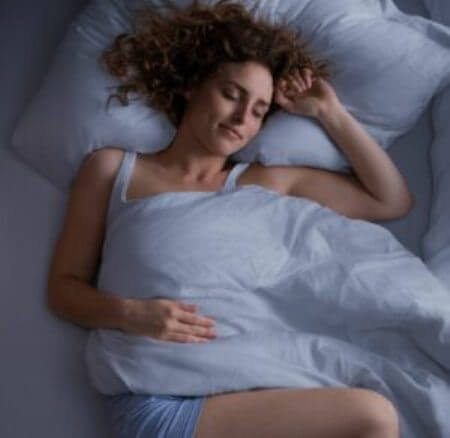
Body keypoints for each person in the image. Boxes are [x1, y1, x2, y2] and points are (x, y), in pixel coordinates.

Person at [47, 1, 412, 437]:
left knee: (380, 413)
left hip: (248, 389)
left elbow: (390, 200)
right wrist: (130, 314)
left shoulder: (266, 182)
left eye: (258, 110)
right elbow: (63, 289)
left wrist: (329, 113)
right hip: (160, 401)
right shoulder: (113, 169)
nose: (242, 118)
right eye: (232, 94)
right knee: (373, 416)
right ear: (192, 86)